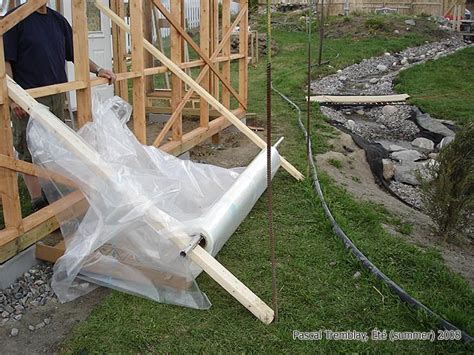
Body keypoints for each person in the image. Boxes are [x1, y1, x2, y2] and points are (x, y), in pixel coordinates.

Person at [3, 4, 116, 210]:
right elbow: (6, 61)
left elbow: (75, 53)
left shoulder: (57, 21)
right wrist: (14, 96)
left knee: (53, 148)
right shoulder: (15, 19)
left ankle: (54, 195)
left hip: (55, 95)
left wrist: (98, 69)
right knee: (28, 150)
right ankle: (38, 202)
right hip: (28, 100)